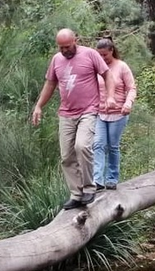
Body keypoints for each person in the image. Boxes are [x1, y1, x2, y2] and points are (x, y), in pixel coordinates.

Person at [32, 28, 116, 210]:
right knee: (66, 156)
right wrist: (39, 106)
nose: (64, 51)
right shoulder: (56, 60)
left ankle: (89, 188)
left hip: (88, 110)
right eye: (61, 47)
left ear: (75, 40)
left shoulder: (90, 55)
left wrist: (109, 96)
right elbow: (50, 83)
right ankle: (76, 194)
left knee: (82, 146)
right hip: (66, 113)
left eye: (67, 46)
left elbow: (107, 74)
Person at [92, 37, 136, 191]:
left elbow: (131, 88)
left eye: (105, 55)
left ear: (111, 51)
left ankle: (112, 179)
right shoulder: (96, 68)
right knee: (97, 144)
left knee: (112, 146)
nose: (102, 58)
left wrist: (128, 103)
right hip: (100, 113)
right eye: (100, 55)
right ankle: (97, 180)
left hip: (118, 113)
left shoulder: (122, 66)